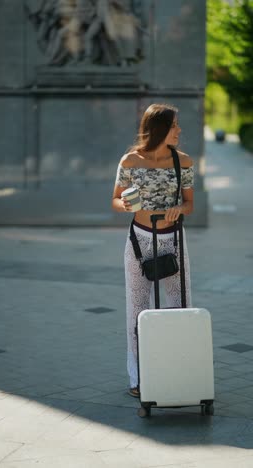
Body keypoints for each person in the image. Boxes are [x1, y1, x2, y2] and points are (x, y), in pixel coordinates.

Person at [112, 103, 194, 397]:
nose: (179, 130)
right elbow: (115, 200)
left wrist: (178, 208)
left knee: (179, 304)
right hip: (139, 240)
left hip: (173, 239)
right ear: (159, 128)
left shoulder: (182, 161)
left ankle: (177, 370)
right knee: (137, 308)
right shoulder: (130, 161)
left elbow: (189, 204)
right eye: (174, 125)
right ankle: (138, 377)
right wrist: (127, 204)